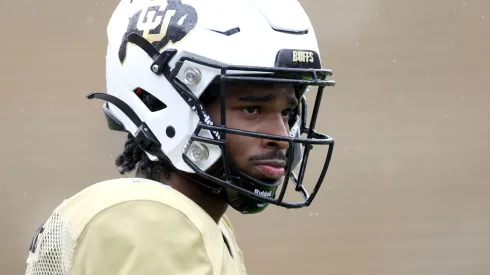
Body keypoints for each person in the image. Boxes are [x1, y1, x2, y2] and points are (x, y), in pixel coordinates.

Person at [24, 0, 336, 274]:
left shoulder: (193, 221)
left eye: (287, 113)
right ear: (164, 100)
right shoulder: (149, 222)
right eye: (253, 108)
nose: (282, 137)